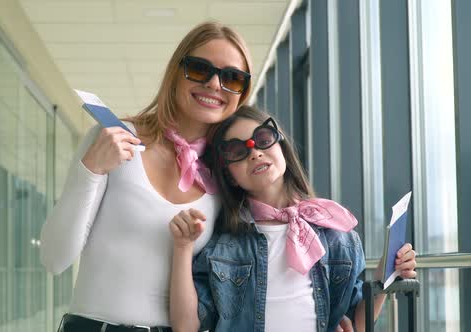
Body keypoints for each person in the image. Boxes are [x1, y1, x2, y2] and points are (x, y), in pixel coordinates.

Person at [40, 21, 253, 332]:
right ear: (175, 73)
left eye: (232, 77)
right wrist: (91, 169)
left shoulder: (228, 174)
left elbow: (263, 261)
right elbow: (53, 258)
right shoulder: (113, 138)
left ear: (242, 92)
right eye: (199, 69)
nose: (214, 84)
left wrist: (337, 311)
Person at [168, 105, 417, 332]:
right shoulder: (222, 245)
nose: (254, 153)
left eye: (263, 140)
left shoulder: (337, 235)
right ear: (230, 176)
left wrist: (386, 274)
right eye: (238, 151)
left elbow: (355, 324)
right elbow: (185, 326)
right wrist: (182, 248)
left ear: (282, 148)